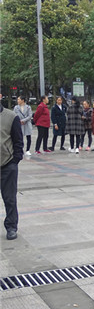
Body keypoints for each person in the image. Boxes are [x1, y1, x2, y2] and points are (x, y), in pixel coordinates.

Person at [0, 94, 23, 240]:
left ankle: (11, 227)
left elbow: (18, 141)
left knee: (9, 199)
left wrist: (14, 161)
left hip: (7, 165)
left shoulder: (11, 117)